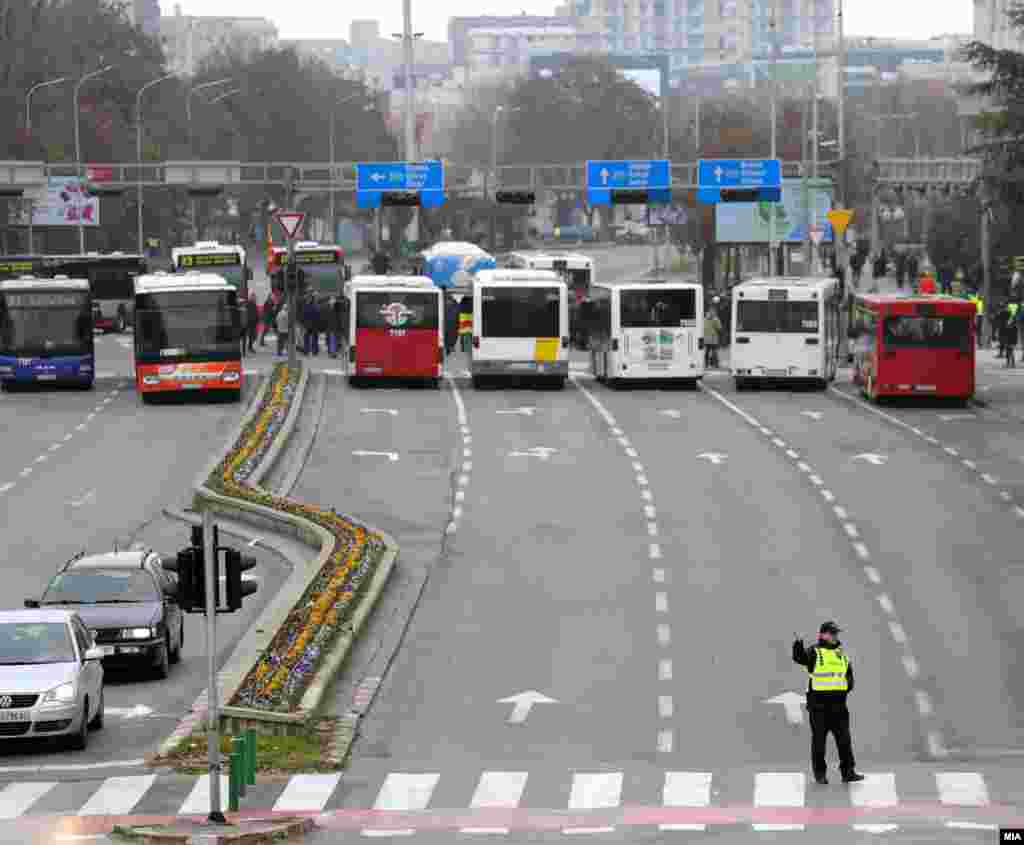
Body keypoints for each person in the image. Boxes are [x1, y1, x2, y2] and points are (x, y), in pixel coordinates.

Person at [792, 621, 864, 785]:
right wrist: (798, 644)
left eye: (836, 633)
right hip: (819, 707)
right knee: (819, 742)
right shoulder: (815, 652)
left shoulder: (841, 654)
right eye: (832, 633)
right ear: (823, 634)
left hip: (839, 706)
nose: (835, 636)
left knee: (844, 741)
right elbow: (800, 658)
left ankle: (848, 772)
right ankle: (820, 774)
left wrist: (847, 686)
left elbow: (848, 673)